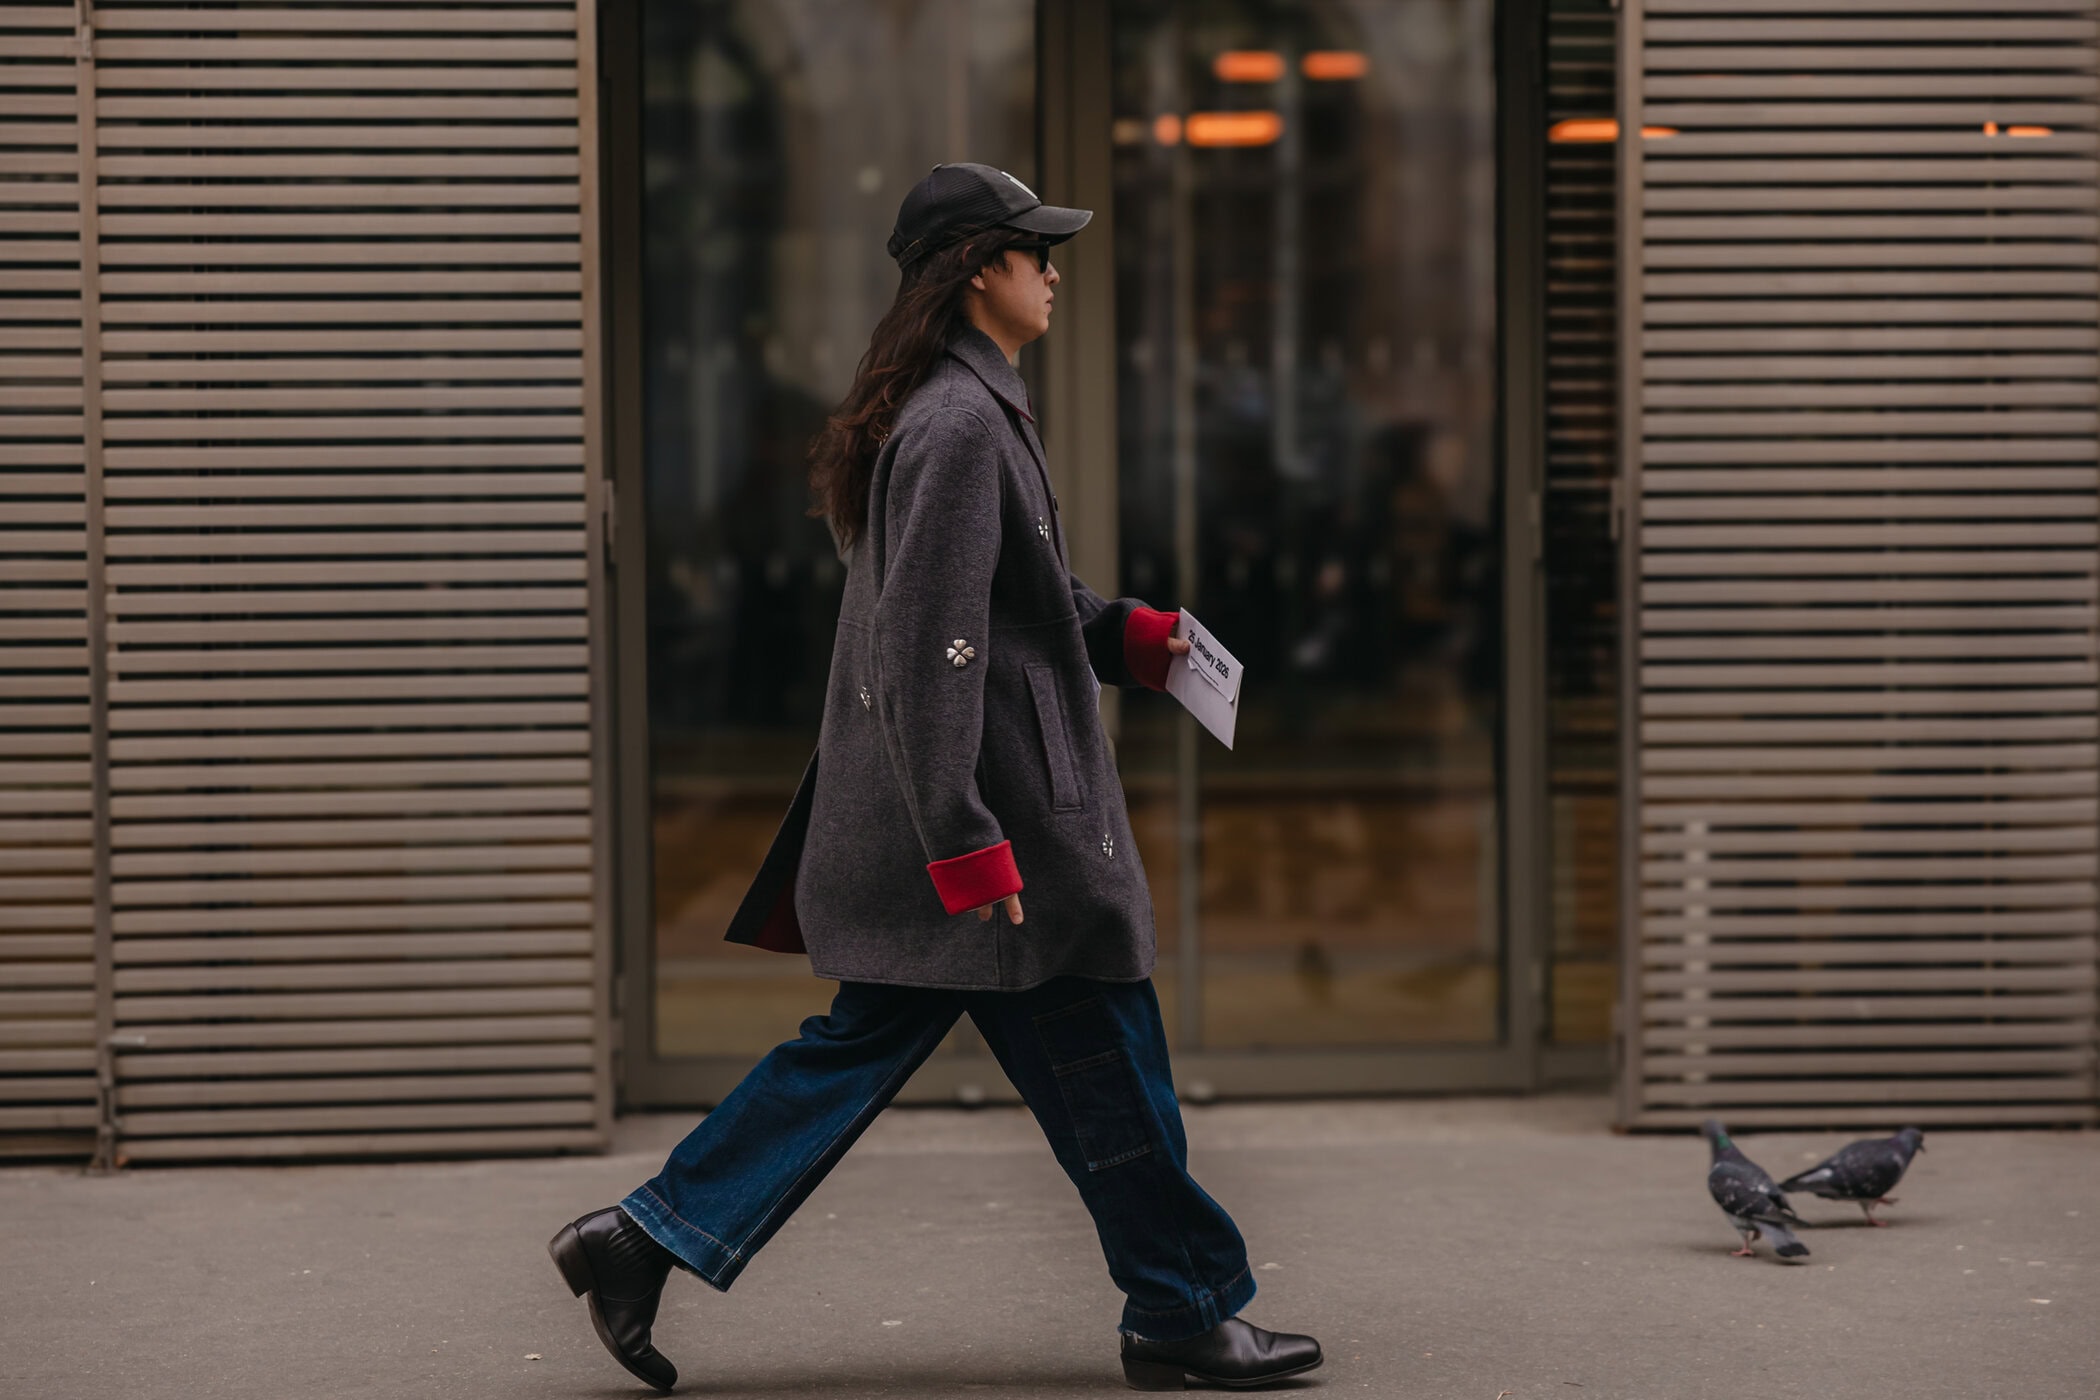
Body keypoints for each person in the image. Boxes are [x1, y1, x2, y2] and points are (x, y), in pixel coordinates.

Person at [548, 163, 1322, 1394]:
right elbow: (927, 655)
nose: (1055, 271)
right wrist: (964, 841)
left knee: (904, 1048)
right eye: (1036, 251)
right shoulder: (960, 424)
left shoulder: (959, 408)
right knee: (1099, 1042)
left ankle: (641, 1236)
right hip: (998, 817)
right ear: (977, 270)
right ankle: (1181, 1304)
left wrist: (1132, 636)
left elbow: (1008, 608)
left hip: (989, 809)